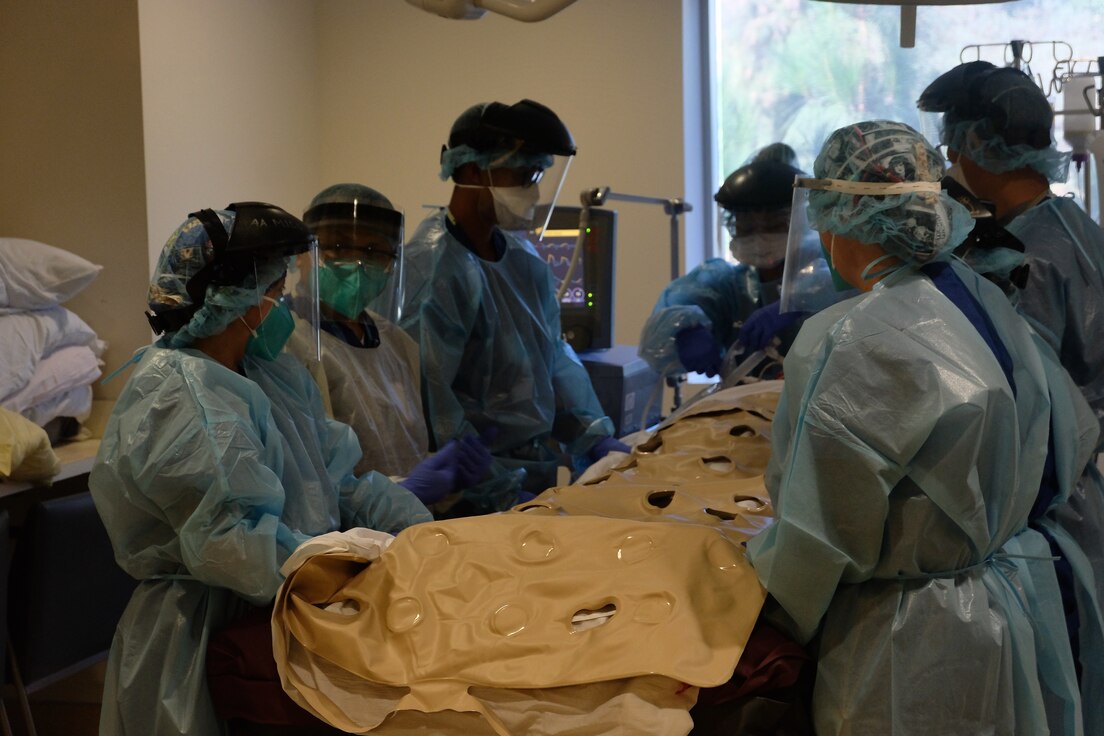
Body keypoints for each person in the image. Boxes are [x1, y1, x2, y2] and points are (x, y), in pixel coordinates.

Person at [746, 121, 1098, 735]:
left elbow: (823, 532)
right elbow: (1072, 441)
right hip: (1005, 604)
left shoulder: (858, 338)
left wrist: (762, 617)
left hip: (911, 638)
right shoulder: (976, 296)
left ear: (840, 216)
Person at [89, 203, 435, 736]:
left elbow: (334, 479)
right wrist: (338, 564)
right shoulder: (180, 395)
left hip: (286, 611)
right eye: (275, 290)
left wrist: (420, 534)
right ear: (239, 298)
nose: (283, 305)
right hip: (202, 634)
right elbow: (232, 546)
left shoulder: (268, 373)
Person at [919, 61, 1104, 734]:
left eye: (951, 148)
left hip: (1051, 505)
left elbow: (1021, 406)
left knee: (1060, 687)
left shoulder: (1025, 257)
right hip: (1084, 497)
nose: (948, 164)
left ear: (975, 148)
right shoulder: (1075, 229)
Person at [398, 98, 627, 511]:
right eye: (523, 175)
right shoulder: (432, 270)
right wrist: (492, 487)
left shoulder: (522, 262)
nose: (533, 191)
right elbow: (432, 404)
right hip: (465, 497)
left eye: (538, 175)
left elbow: (553, 356)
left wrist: (594, 436)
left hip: (531, 482)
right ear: (471, 169)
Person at [286, 183, 490, 507]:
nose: (355, 262)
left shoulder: (397, 344)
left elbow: (404, 451)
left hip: (412, 531)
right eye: (337, 246)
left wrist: (446, 476)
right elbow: (308, 483)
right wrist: (400, 496)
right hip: (345, 544)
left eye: (372, 251)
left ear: (391, 262)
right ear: (301, 255)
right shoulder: (287, 345)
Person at [638, 144, 807, 379]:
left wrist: (798, 304)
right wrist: (685, 330)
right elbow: (673, 311)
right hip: (745, 409)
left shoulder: (828, 279)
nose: (759, 239)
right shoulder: (727, 287)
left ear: (800, 220)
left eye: (774, 226)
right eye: (746, 228)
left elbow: (841, 296)